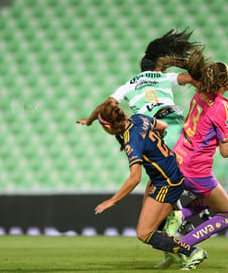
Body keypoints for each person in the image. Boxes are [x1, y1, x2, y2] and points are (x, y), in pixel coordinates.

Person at [155, 46, 228, 266]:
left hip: (178, 160)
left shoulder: (199, 94)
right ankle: (182, 246)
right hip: (196, 169)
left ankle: (179, 217)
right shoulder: (221, 106)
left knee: (205, 200)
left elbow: (207, 117)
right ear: (227, 83)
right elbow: (225, 151)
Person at [86, 101, 207, 270]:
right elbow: (163, 126)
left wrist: (112, 201)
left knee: (144, 233)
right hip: (167, 174)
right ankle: (175, 252)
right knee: (154, 227)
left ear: (108, 126)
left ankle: (193, 252)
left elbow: (135, 178)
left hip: (167, 182)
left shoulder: (131, 142)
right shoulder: (139, 118)